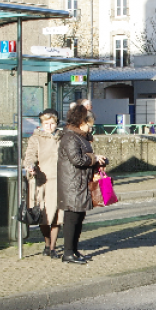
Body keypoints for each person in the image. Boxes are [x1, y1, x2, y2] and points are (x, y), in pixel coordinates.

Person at [57, 101, 108, 265]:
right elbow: (77, 159)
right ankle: (68, 252)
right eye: (89, 124)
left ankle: (74, 250)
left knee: (79, 218)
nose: (90, 128)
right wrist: (94, 158)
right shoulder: (70, 138)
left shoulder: (79, 137)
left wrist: (97, 160)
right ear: (81, 122)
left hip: (80, 182)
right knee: (72, 218)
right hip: (73, 183)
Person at [23, 109, 63, 258]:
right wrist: (30, 165)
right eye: (46, 123)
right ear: (42, 124)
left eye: (52, 123)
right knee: (44, 217)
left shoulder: (62, 137)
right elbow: (30, 155)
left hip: (59, 182)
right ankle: (47, 243)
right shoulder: (35, 139)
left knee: (57, 217)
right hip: (43, 182)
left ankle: (52, 247)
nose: (49, 126)